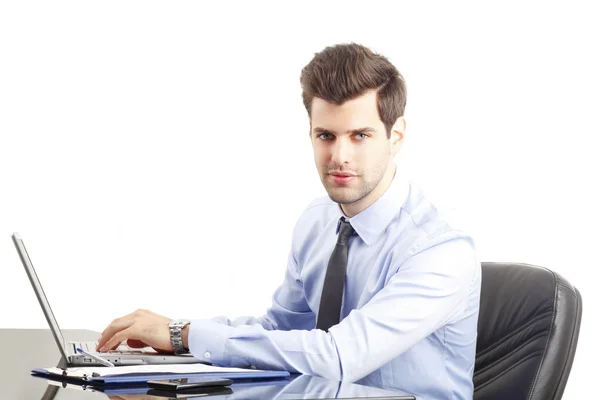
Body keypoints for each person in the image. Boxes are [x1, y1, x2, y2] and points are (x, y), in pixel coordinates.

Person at [97, 43, 481, 399]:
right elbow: (282, 330)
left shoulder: (440, 251)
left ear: (395, 136)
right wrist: (171, 341)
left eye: (360, 135)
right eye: (326, 135)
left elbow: (339, 357)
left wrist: (187, 335)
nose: (339, 155)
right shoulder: (317, 222)